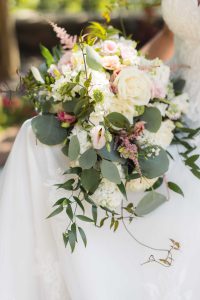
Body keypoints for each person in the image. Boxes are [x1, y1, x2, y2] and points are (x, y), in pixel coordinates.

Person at [1, 0, 200, 299]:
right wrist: (119, 77)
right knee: (39, 142)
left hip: (191, 137)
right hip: (170, 106)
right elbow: (170, 35)